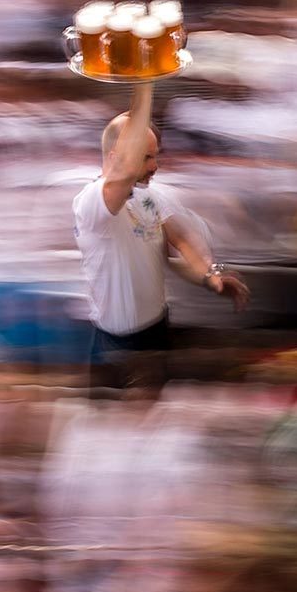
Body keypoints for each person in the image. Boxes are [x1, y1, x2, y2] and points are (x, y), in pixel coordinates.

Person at [73, 85, 249, 392]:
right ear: (117, 158)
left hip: (156, 329)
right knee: (113, 428)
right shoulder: (91, 203)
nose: (156, 166)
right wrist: (144, 84)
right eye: (146, 158)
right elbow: (125, 172)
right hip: (115, 344)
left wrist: (212, 275)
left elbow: (183, 242)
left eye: (156, 156)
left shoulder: (153, 198)